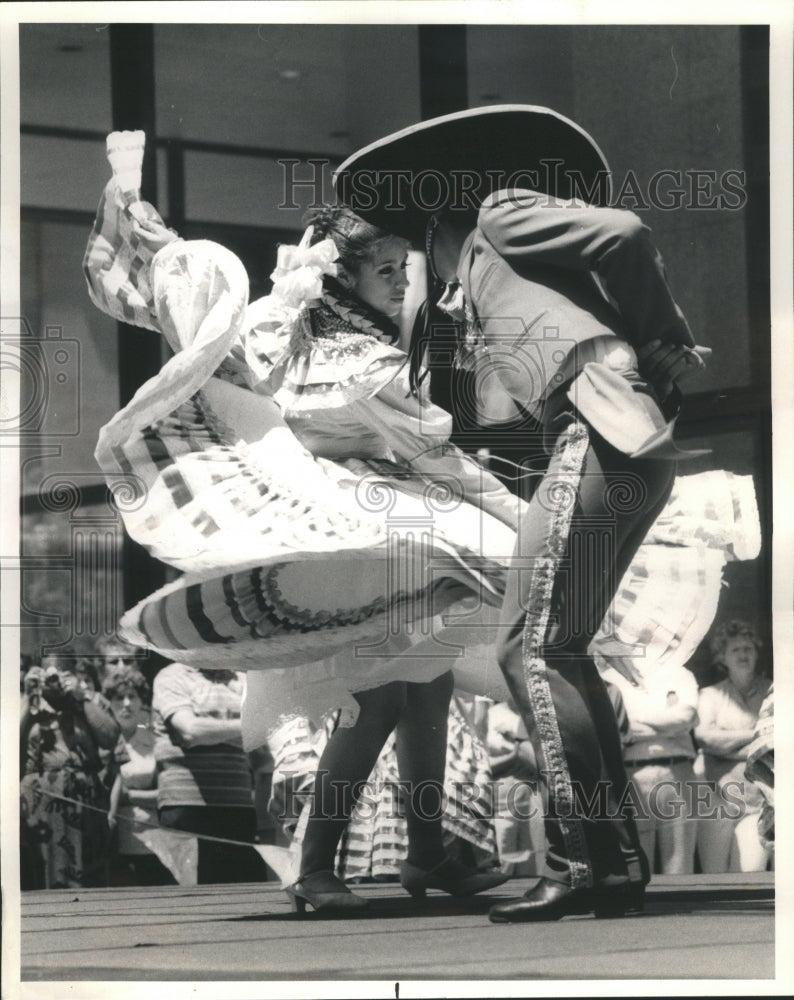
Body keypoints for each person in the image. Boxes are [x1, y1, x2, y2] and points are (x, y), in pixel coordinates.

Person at [84, 132, 521, 913]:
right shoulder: (352, 360)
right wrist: (532, 521)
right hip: (354, 532)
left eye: (402, 267)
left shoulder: (316, 339)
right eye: (383, 269)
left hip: (389, 522)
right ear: (343, 275)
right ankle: (316, 869)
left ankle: (427, 855)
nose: (398, 281)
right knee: (384, 699)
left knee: (429, 691)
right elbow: (441, 460)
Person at [333, 104, 711, 920]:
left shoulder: (499, 216)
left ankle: (579, 860)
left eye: (415, 240)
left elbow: (626, 232)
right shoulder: (494, 280)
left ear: (440, 218)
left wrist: (662, 340)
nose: (418, 264)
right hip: (615, 449)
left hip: (600, 436)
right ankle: (610, 865)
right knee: (558, 651)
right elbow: (493, 410)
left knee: (531, 651)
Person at [151, 661, 268, 885]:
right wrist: (250, 729)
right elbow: (190, 731)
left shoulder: (245, 680)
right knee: (188, 898)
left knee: (241, 897)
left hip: (238, 806)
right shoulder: (172, 676)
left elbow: (263, 743)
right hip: (185, 805)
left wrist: (215, 732)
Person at [20, 652, 120, 888]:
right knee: (42, 870)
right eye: (48, 674)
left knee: (87, 870)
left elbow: (110, 738)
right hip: (40, 800)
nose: (53, 682)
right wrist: (28, 697)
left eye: (60, 674)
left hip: (84, 798)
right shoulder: (30, 703)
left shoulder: (89, 701)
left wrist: (81, 698)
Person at [602, 662, 700, 874]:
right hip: (632, 776)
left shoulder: (680, 673)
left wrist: (632, 722)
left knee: (679, 865)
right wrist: (667, 726)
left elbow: (683, 719)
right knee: (637, 863)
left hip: (678, 773)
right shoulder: (608, 678)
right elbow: (611, 731)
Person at [694, 620, 772, 873]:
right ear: (722, 657)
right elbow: (704, 738)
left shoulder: (772, 692)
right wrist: (755, 736)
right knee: (713, 877)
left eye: (748, 648)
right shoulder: (711, 695)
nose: (743, 654)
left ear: (757, 653)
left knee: (751, 875)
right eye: (735, 650)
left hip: (757, 803)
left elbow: (781, 742)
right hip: (717, 803)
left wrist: (726, 743)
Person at [104, 665, 173, 886]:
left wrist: (128, 795)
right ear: (108, 702)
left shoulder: (154, 739)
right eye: (119, 697)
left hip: (149, 841)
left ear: (141, 700)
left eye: (132, 696)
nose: (126, 704)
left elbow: (168, 793)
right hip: (109, 842)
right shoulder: (101, 741)